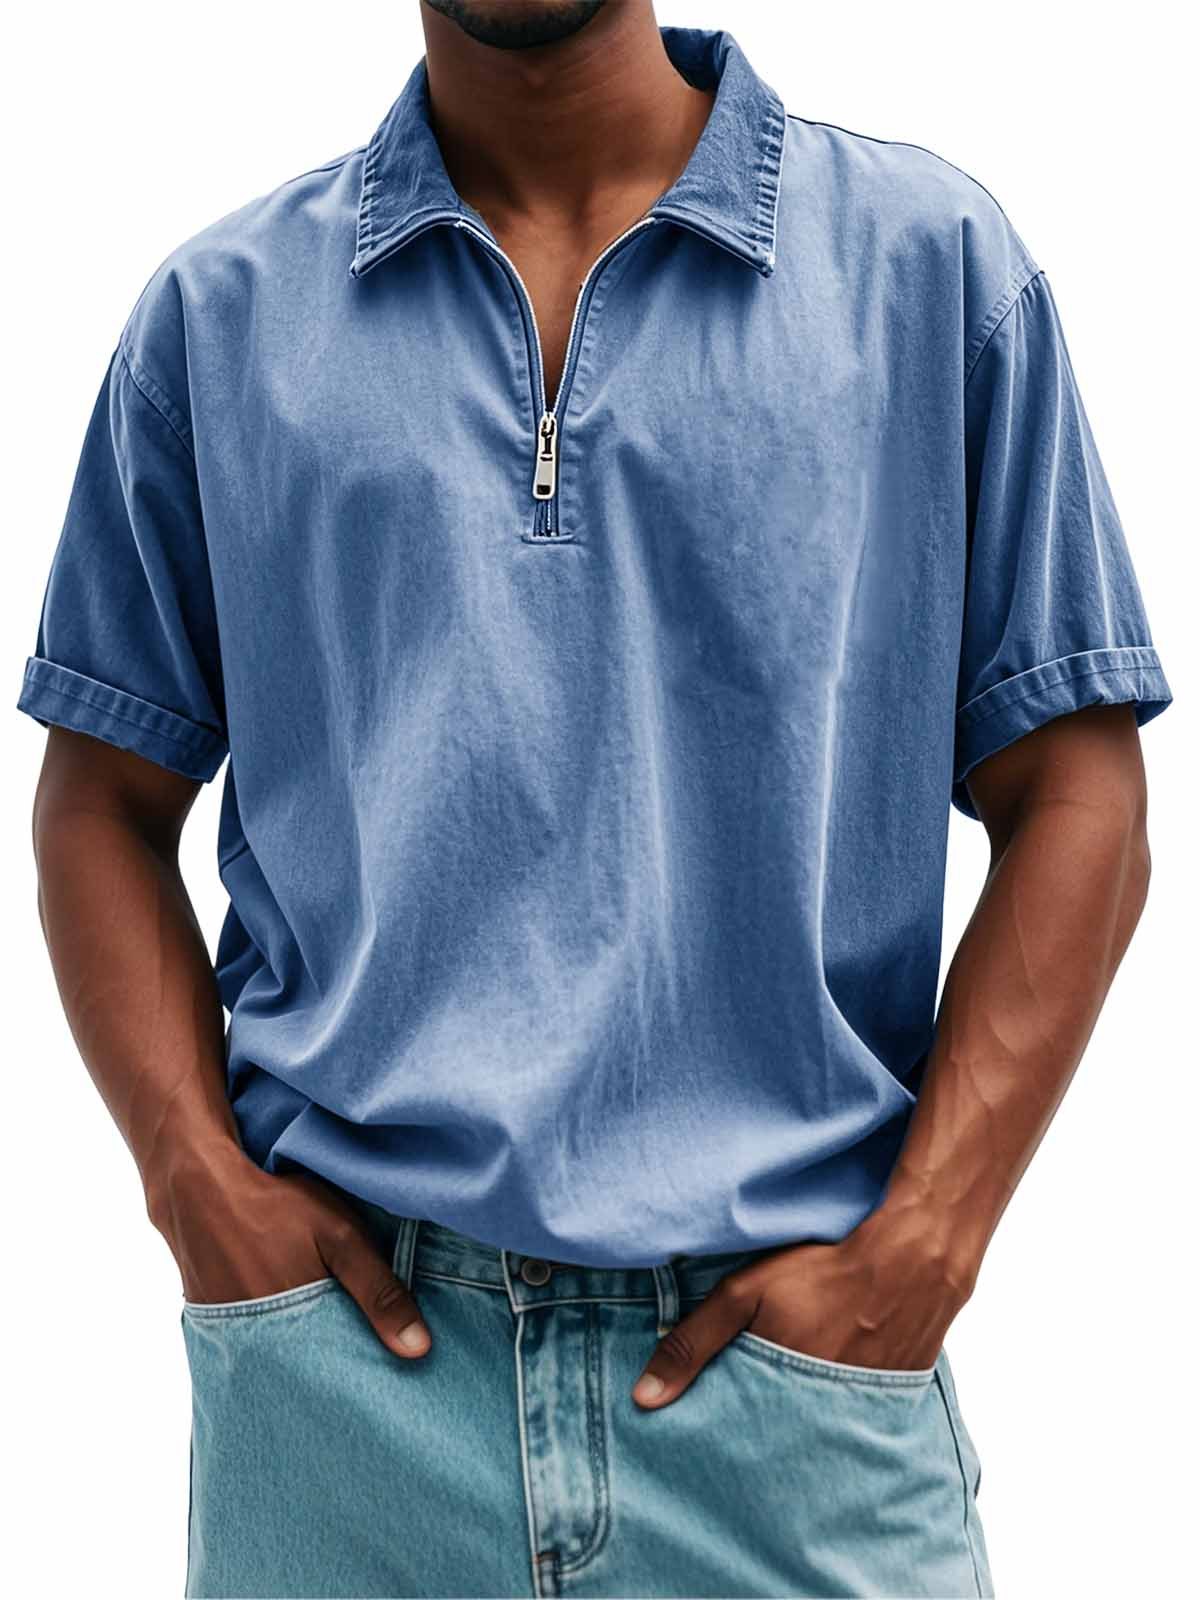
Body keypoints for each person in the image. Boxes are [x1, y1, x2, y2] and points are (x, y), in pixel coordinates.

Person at [19, 1, 1172, 1596]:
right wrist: (192, 1186)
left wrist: (935, 1233)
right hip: (347, 1408)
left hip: (792, 1412)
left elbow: (1079, 787)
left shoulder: (930, 271)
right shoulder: (221, 317)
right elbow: (100, 796)